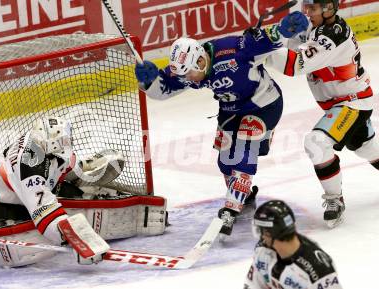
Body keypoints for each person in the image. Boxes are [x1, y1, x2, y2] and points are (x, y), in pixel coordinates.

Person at [134, 13, 308, 238]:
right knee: (225, 160)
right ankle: (243, 197)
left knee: (245, 147)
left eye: (191, 74)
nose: (190, 80)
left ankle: (231, 207)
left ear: (200, 60)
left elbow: (268, 39)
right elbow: (162, 90)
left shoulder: (234, 50)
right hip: (230, 110)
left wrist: (284, 30)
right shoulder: (187, 69)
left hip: (263, 104)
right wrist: (148, 82)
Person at [0, 116, 125, 266]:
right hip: (0, 204)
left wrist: (78, 169)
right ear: (50, 144)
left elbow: (60, 160)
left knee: (70, 192)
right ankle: (13, 219)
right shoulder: (28, 164)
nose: (66, 146)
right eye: (62, 143)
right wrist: (78, 241)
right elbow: (45, 216)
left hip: (22, 188)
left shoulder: (44, 145)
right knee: (58, 212)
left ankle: (77, 183)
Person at [267, 1, 378, 228]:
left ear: (329, 9)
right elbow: (290, 45)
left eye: (313, 9)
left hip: (352, 103)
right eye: (307, 7)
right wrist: (275, 34)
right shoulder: (315, 29)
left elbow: (294, 65)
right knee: (366, 148)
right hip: (344, 102)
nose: (307, 13)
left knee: (316, 143)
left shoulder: (332, 36)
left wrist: (261, 48)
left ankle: (334, 200)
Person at [244, 200, 343, 289]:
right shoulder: (263, 250)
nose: (262, 237)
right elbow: (252, 284)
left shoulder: (319, 272)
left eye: (260, 231)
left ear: (269, 233)